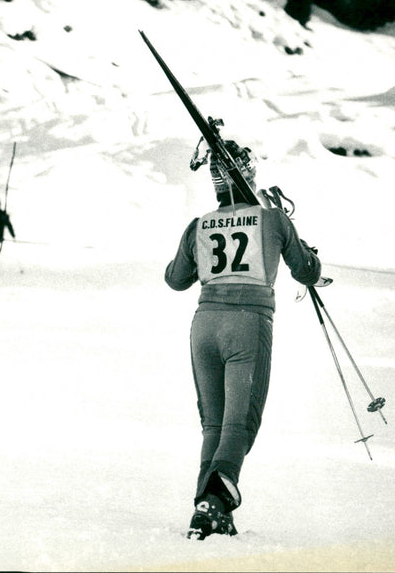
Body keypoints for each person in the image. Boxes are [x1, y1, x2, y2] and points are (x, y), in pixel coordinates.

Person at [164, 140, 322, 540]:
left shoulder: (198, 225)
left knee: (213, 425)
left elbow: (175, 279)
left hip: (204, 325)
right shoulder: (271, 219)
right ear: (248, 174)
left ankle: (207, 509)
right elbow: (305, 270)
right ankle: (217, 501)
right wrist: (309, 255)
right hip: (248, 322)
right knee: (240, 424)